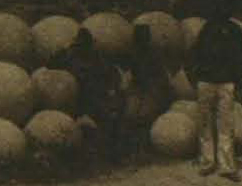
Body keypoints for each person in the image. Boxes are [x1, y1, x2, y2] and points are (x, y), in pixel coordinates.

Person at [186, 17, 242, 182]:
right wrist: (195, 77)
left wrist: (238, 79)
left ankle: (227, 166)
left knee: (226, 125)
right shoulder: (206, 28)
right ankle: (207, 163)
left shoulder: (235, 30)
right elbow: (193, 54)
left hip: (227, 82)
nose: (219, 9)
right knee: (204, 124)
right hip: (206, 81)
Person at [48, 28, 125, 163]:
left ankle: (111, 154)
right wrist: (62, 50)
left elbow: (113, 75)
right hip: (77, 99)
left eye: (83, 45)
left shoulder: (97, 58)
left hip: (95, 98)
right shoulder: (70, 57)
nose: (82, 49)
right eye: (79, 46)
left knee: (110, 120)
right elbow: (51, 65)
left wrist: (111, 91)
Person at [125, 25, 173, 156]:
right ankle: (137, 148)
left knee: (143, 116)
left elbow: (161, 77)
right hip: (139, 88)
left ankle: (143, 147)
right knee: (132, 115)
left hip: (151, 88)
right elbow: (132, 75)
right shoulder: (134, 54)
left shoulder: (153, 54)